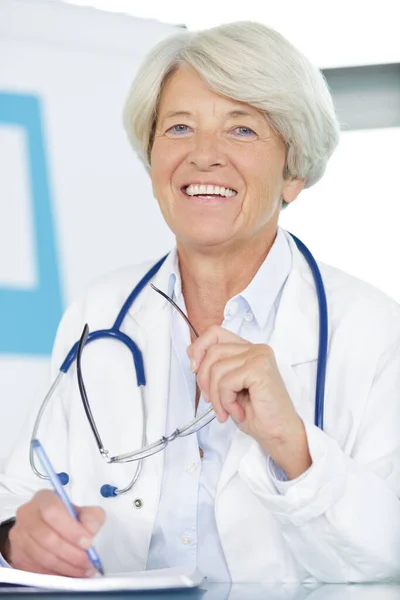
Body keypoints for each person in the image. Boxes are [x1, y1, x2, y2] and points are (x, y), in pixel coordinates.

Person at [0, 21, 399, 583]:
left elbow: (388, 557)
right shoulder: (99, 312)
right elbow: (20, 495)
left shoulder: (375, 332)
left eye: (241, 130)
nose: (204, 156)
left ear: (295, 171)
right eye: (179, 127)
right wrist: (18, 538)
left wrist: (292, 445)